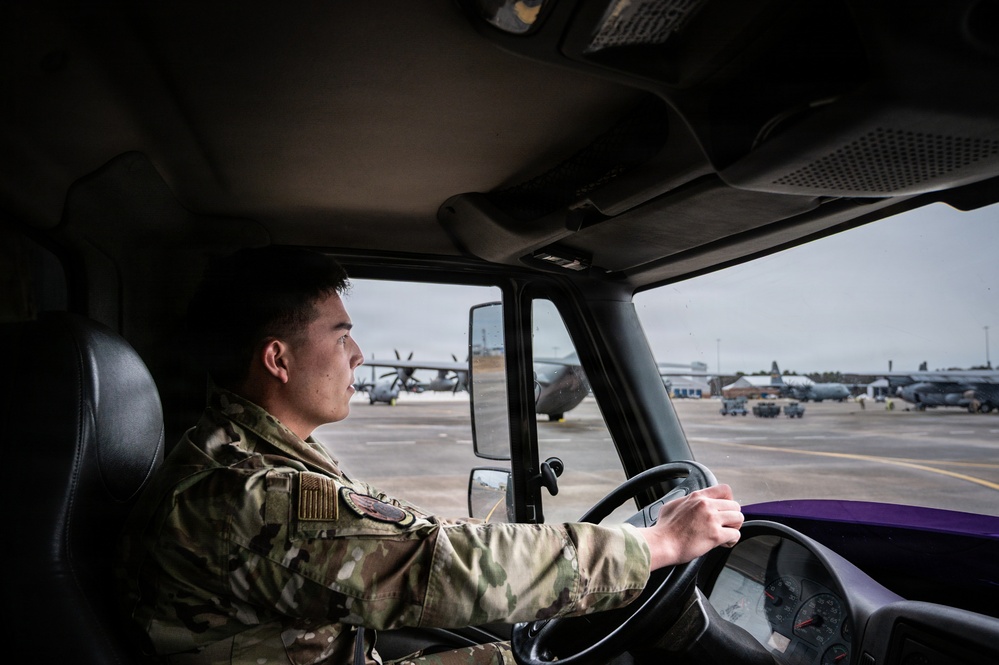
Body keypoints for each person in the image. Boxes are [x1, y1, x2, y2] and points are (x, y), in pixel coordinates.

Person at [117, 246, 743, 665]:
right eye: (340, 337)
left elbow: (407, 536)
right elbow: (435, 565)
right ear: (278, 359)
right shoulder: (250, 496)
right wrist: (651, 547)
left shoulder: (250, 458)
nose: (358, 355)